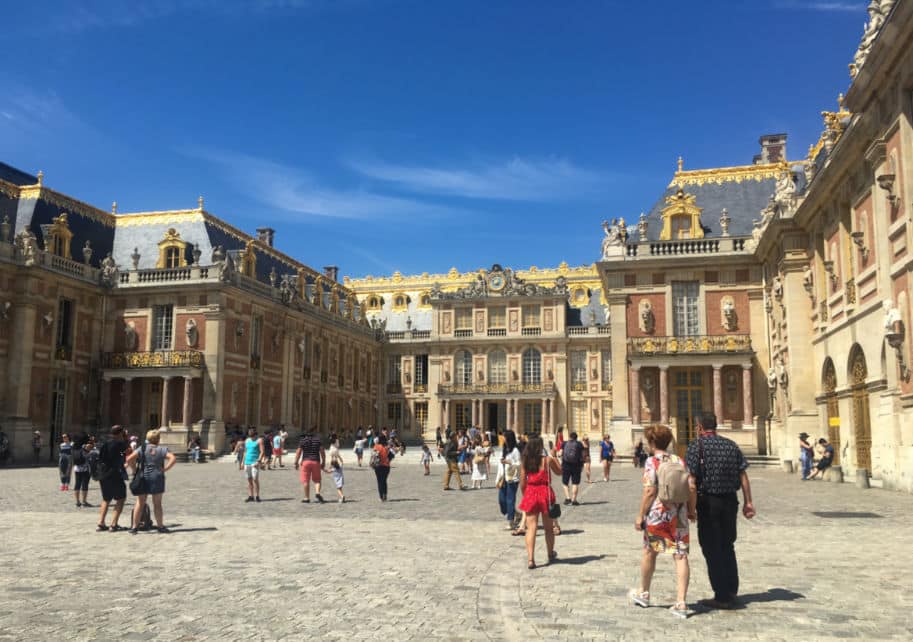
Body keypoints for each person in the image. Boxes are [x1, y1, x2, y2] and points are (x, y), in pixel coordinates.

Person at [685, 412, 755, 610]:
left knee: (711, 548)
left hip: (708, 503)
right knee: (728, 544)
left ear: (699, 427)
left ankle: (722, 596)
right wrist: (749, 502)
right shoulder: (731, 445)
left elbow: (691, 482)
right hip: (730, 502)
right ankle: (732, 590)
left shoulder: (696, 446)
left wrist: (691, 508)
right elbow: (743, 476)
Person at [629, 424, 696, 619]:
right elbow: (692, 488)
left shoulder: (652, 462)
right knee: (681, 555)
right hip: (680, 515)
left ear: (651, 442)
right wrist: (691, 510)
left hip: (659, 514)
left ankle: (644, 592)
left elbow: (649, 491)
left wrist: (640, 515)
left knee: (650, 552)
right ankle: (681, 602)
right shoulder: (680, 461)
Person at [518, 436, 562, 569]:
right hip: (545, 493)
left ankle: (531, 559)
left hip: (531, 492)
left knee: (531, 528)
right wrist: (554, 456)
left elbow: (522, 481)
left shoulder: (525, 461)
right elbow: (560, 472)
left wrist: (525, 494)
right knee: (549, 528)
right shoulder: (547, 460)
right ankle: (550, 553)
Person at [126, 429, 176, 534]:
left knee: (140, 502)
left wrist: (134, 469)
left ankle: (134, 527)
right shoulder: (162, 449)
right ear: (158, 439)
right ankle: (160, 526)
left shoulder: (142, 448)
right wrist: (165, 468)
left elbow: (129, 459)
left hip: (143, 477)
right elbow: (173, 458)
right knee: (157, 503)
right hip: (157, 477)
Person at [96, 425, 128, 532]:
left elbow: (100, 458)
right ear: (120, 433)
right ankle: (113, 524)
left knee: (106, 499)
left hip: (103, 474)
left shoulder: (105, 444)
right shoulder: (120, 444)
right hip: (115, 474)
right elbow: (124, 455)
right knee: (121, 498)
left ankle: (101, 522)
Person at [497, 430, 522, 531]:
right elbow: (500, 464)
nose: (503, 438)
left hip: (512, 479)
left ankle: (511, 522)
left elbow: (519, 464)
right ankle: (516, 514)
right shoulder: (504, 449)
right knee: (502, 500)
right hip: (503, 477)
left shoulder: (515, 450)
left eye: (505, 437)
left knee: (510, 500)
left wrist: (509, 462)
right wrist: (498, 479)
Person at [295, 429, 326, 503]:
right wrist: (323, 461)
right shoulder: (318, 440)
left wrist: (296, 462)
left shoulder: (303, 441)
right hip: (316, 461)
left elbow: (298, 452)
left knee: (305, 480)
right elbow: (322, 451)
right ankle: (317, 492)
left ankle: (306, 497)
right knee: (317, 480)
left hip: (305, 462)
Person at [560, 431, 585, 506]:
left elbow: (560, 453)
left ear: (569, 437)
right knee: (575, 483)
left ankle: (568, 498)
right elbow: (583, 455)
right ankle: (574, 500)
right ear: (576, 438)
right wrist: (582, 463)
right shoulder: (579, 444)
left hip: (566, 465)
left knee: (565, 483)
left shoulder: (564, 443)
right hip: (576, 465)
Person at [242, 427, 263, 503]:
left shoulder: (259, 440)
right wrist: (242, 462)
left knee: (255, 479)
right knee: (249, 480)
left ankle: (257, 496)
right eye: (249, 432)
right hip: (247, 462)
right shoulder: (247, 440)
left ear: (254, 433)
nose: (249, 433)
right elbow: (245, 452)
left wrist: (259, 461)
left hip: (255, 463)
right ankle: (251, 496)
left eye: (251, 432)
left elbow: (262, 451)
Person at [72, 437, 93, 508]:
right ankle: (84, 501)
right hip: (85, 469)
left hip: (77, 468)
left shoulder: (75, 447)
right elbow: (90, 455)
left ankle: (77, 502)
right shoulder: (87, 446)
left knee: (77, 484)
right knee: (85, 485)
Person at [372, 434, 392, 501]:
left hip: (378, 466)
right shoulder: (387, 447)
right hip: (386, 466)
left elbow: (373, 455)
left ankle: (381, 497)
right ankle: (385, 495)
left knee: (379, 481)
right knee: (384, 481)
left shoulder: (377, 446)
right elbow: (392, 455)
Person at [326, 433, 345, 503]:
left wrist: (326, 470)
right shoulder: (337, 440)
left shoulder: (331, 439)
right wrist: (340, 458)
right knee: (335, 458)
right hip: (336, 450)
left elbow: (330, 442)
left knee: (332, 458)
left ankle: (331, 466)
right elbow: (338, 446)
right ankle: (334, 465)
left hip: (332, 449)